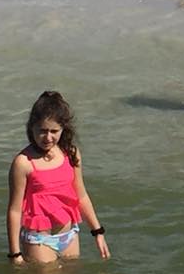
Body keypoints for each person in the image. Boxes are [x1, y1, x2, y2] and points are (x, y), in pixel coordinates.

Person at [6, 91, 110, 265]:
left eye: (54, 131)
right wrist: (14, 254)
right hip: (39, 239)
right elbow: (14, 211)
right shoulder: (23, 163)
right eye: (42, 131)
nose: (48, 137)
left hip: (69, 235)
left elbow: (81, 196)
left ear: (63, 129)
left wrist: (97, 233)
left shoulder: (71, 153)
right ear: (32, 128)